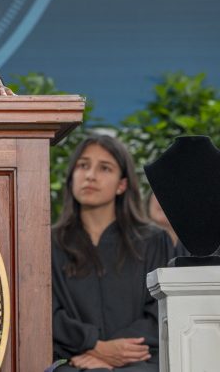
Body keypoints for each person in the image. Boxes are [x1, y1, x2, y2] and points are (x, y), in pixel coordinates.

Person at [51, 135, 173, 371]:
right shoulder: (49, 243)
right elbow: (47, 313)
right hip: (74, 361)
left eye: (104, 168)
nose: (90, 175)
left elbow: (161, 311)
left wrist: (112, 353)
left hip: (139, 359)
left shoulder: (153, 241)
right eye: (83, 165)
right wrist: (94, 346)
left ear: (122, 184)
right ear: (71, 177)